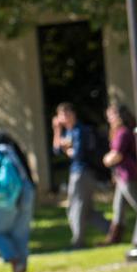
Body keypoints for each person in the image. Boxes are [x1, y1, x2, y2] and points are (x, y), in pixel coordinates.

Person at [51, 102, 110, 248]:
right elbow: (56, 150)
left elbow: (77, 154)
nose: (64, 118)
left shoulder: (80, 131)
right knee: (87, 210)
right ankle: (112, 230)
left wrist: (66, 148)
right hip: (77, 172)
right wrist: (57, 130)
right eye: (61, 115)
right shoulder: (67, 132)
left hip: (83, 172)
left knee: (75, 207)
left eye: (66, 114)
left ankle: (78, 241)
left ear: (73, 114)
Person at [0, 130, 35, 272]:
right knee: (21, 234)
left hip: (7, 196)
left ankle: (14, 261)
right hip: (27, 192)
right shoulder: (16, 151)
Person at [103, 102, 137, 245]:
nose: (109, 120)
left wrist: (105, 159)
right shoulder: (124, 131)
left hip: (128, 176)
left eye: (110, 116)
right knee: (118, 208)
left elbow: (116, 155)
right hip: (122, 176)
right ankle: (114, 239)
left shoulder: (123, 132)